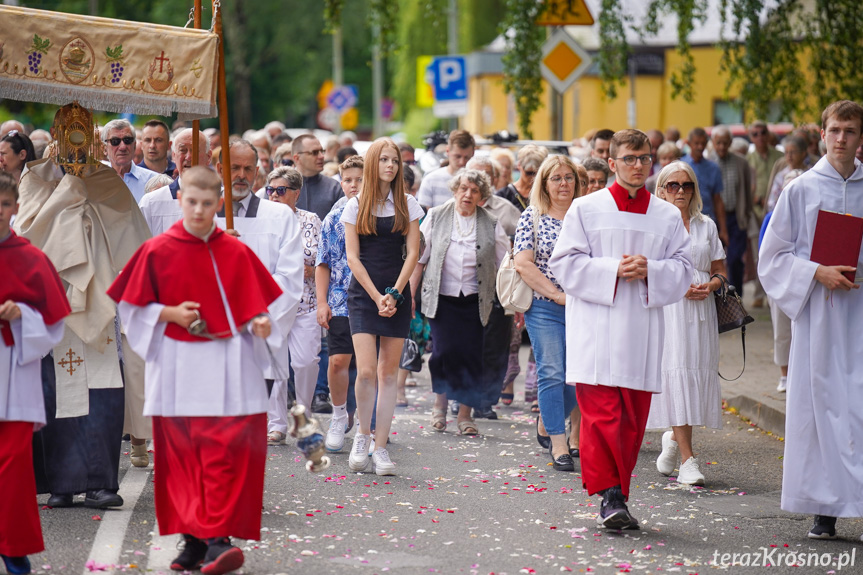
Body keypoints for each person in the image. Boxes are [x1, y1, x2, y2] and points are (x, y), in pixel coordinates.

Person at [107, 167, 283, 575]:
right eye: (192, 202)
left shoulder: (236, 251)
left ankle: (219, 539)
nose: (200, 211)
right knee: (182, 454)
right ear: (180, 200)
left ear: (219, 204)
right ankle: (193, 540)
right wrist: (169, 312)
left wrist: (260, 323)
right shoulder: (157, 250)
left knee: (222, 452)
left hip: (228, 366)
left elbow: (260, 309)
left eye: (208, 204)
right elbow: (129, 308)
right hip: (177, 364)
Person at [548, 129, 692, 529]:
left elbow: (683, 268)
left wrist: (652, 271)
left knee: (630, 421)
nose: (638, 166)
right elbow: (564, 264)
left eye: (644, 158)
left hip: (642, 332)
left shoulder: (666, 215)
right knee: (601, 417)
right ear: (611, 163)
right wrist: (613, 269)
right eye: (629, 158)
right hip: (596, 329)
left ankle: (620, 494)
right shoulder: (586, 208)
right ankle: (610, 497)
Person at [16, 102, 151, 509]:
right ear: (56, 134)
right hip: (54, 302)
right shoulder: (36, 176)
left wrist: (83, 199)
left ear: (92, 136)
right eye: (67, 128)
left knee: (103, 394)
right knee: (56, 392)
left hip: (98, 300)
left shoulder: (106, 178)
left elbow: (131, 236)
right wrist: (68, 191)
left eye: (81, 129)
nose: (74, 137)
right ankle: (61, 483)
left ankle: (100, 483)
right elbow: (28, 230)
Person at [758, 100, 863, 541]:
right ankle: (824, 511)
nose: (841, 138)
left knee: (857, 410)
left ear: (861, 138)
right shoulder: (800, 189)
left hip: (859, 314)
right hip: (818, 316)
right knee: (819, 410)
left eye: (851, 131)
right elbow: (771, 257)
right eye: (835, 130)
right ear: (822, 134)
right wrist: (815, 272)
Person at [0, 173, 70, 575]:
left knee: (12, 467)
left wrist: (21, 314)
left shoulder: (32, 258)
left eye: (5, 204)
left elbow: (54, 326)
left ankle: (13, 548)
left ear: (16, 208)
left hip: (13, 376)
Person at [340, 138, 423, 476]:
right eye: (384, 160)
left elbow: (414, 253)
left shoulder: (409, 204)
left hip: (397, 294)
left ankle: (382, 446)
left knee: (389, 373)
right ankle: (362, 435)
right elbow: (352, 257)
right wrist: (377, 296)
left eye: (394, 161)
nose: (390, 165)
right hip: (363, 295)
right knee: (367, 371)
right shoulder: (354, 205)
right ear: (373, 164)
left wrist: (396, 294)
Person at [646, 161, 727, 486]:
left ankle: (673, 441)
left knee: (694, 375)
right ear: (662, 189)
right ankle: (688, 459)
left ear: (695, 189)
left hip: (701, 311)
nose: (680, 191)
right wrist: (677, 286)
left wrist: (711, 285)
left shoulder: (706, 225)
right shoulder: (654, 225)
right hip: (670, 310)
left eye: (687, 185)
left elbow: (721, 270)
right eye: (673, 185)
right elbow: (647, 268)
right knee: (676, 372)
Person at [411, 169, 509, 435]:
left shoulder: (490, 221)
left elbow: (505, 264)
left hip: (477, 300)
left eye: (475, 191)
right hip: (442, 298)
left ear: (482, 196)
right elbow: (419, 259)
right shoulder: (436, 216)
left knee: (472, 356)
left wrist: (513, 301)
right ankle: (440, 403)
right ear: (454, 190)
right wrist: (409, 295)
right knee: (443, 352)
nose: (468, 194)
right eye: (464, 188)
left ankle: (465, 414)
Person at [514, 155, 583, 472]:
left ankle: (546, 419)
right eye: (556, 178)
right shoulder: (533, 217)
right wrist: (557, 295)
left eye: (569, 177)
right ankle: (558, 442)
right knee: (552, 372)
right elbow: (523, 263)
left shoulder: (585, 217)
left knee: (577, 378)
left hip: (583, 307)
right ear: (544, 183)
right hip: (544, 306)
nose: (564, 184)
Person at [263, 166, 322, 444]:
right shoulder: (260, 218)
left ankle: (303, 416)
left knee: (305, 361)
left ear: (296, 193)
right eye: (270, 190)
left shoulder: (311, 220)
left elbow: (320, 260)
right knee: (274, 365)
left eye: (281, 190)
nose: (274, 195)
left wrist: (306, 271)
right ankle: (276, 424)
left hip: (306, 303)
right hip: (272, 304)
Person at [317, 155, 363, 452]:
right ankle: (338, 415)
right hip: (340, 299)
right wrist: (322, 302)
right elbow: (324, 263)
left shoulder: (377, 215)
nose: (353, 185)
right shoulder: (332, 219)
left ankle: (366, 423)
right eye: (347, 180)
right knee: (338, 361)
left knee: (368, 367)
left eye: (359, 180)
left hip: (372, 298)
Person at [139, 128, 211, 236]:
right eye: (183, 150)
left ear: (208, 157)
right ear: (173, 155)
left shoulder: (223, 200)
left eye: (195, 150)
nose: (188, 157)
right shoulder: (151, 202)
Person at [712, 126, 753, 296]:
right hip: (714, 218)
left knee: (735, 258)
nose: (722, 146)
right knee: (716, 259)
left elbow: (747, 190)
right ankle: (718, 294)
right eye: (718, 143)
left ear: (730, 143)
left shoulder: (741, 162)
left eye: (725, 143)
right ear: (713, 143)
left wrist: (747, 214)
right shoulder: (709, 163)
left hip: (736, 216)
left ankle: (735, 295)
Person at [682, 127, 728, 245]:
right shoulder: (681, 166)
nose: (700, 147)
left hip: (707, 221)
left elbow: (718, 200)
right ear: (689, 144)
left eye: (703, 143)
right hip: (685, 221)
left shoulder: (713, 168)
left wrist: (723, 229)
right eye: (696, 143)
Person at [101, 119, 158, 204]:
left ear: (134, 146)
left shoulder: (154, 182)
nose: (123, 147)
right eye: (115, 141)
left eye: (127, 140)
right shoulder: (94, 181)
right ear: (104, 148)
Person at [417, 130, 476, 210]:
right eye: (457, 156)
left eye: (467, 157)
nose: (462, 162)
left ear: (473, 153)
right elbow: (424, 216)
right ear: (448, 151)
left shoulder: (479, 182)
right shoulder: (431, 180)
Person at [292, 134, 343, 221]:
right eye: (314, 152)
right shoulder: (281, 187)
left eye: (322, 151)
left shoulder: (334, 188)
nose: (321, 156)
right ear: (297, 158)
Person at [497, 144, 548, 213]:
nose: (533, 178)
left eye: (538, 174)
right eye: (529, 173)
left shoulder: (547, 193)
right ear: (519, 165)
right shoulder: (504, 195)